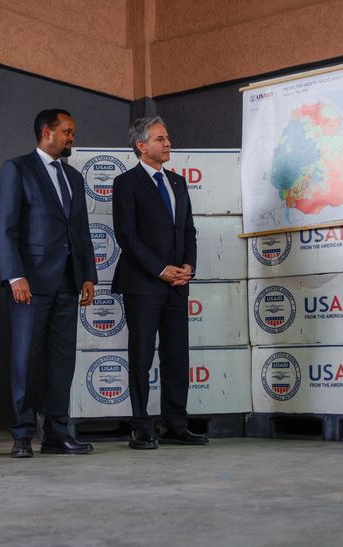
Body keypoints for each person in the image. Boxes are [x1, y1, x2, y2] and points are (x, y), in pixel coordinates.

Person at [0, 109, 97, 458]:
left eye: (72, 132)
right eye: (67, 131)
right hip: (30, 283)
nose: (72, 137)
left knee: (61, 360)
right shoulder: (17, 169)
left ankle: (56, 432)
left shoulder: (74, 177)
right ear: (46, 132)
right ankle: (22, 434)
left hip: (68, 282)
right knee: (25, 359)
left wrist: (87, 275)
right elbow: (5, 226)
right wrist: (14, 275)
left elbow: (80, 231)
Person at [111, 116, 207, 449]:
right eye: (160, 138)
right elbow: (127, 235)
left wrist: (187, 267)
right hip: (142, 284)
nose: (168, 143)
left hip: (178, 284)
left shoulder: (178, 182)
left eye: (168, 138)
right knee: (141, 356)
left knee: (177, 356)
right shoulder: (126, 183)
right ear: (141, 145)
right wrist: (160, 269)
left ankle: (175, 424)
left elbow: (189, 230)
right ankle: (140, 426)